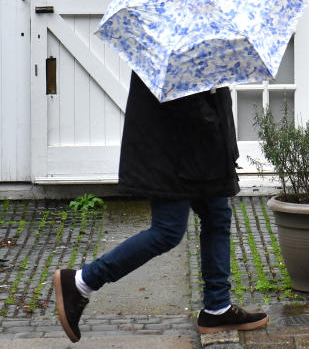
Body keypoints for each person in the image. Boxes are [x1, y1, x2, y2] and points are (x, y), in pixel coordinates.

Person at [54, 72, 269, 342]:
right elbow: (181, 94)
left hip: (200, 148)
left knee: (217, 216)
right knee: (167, 230)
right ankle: (82, 281)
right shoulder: (173, 44)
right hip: (174, 149)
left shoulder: (192, 36)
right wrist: (213, 124)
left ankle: (217, 307)